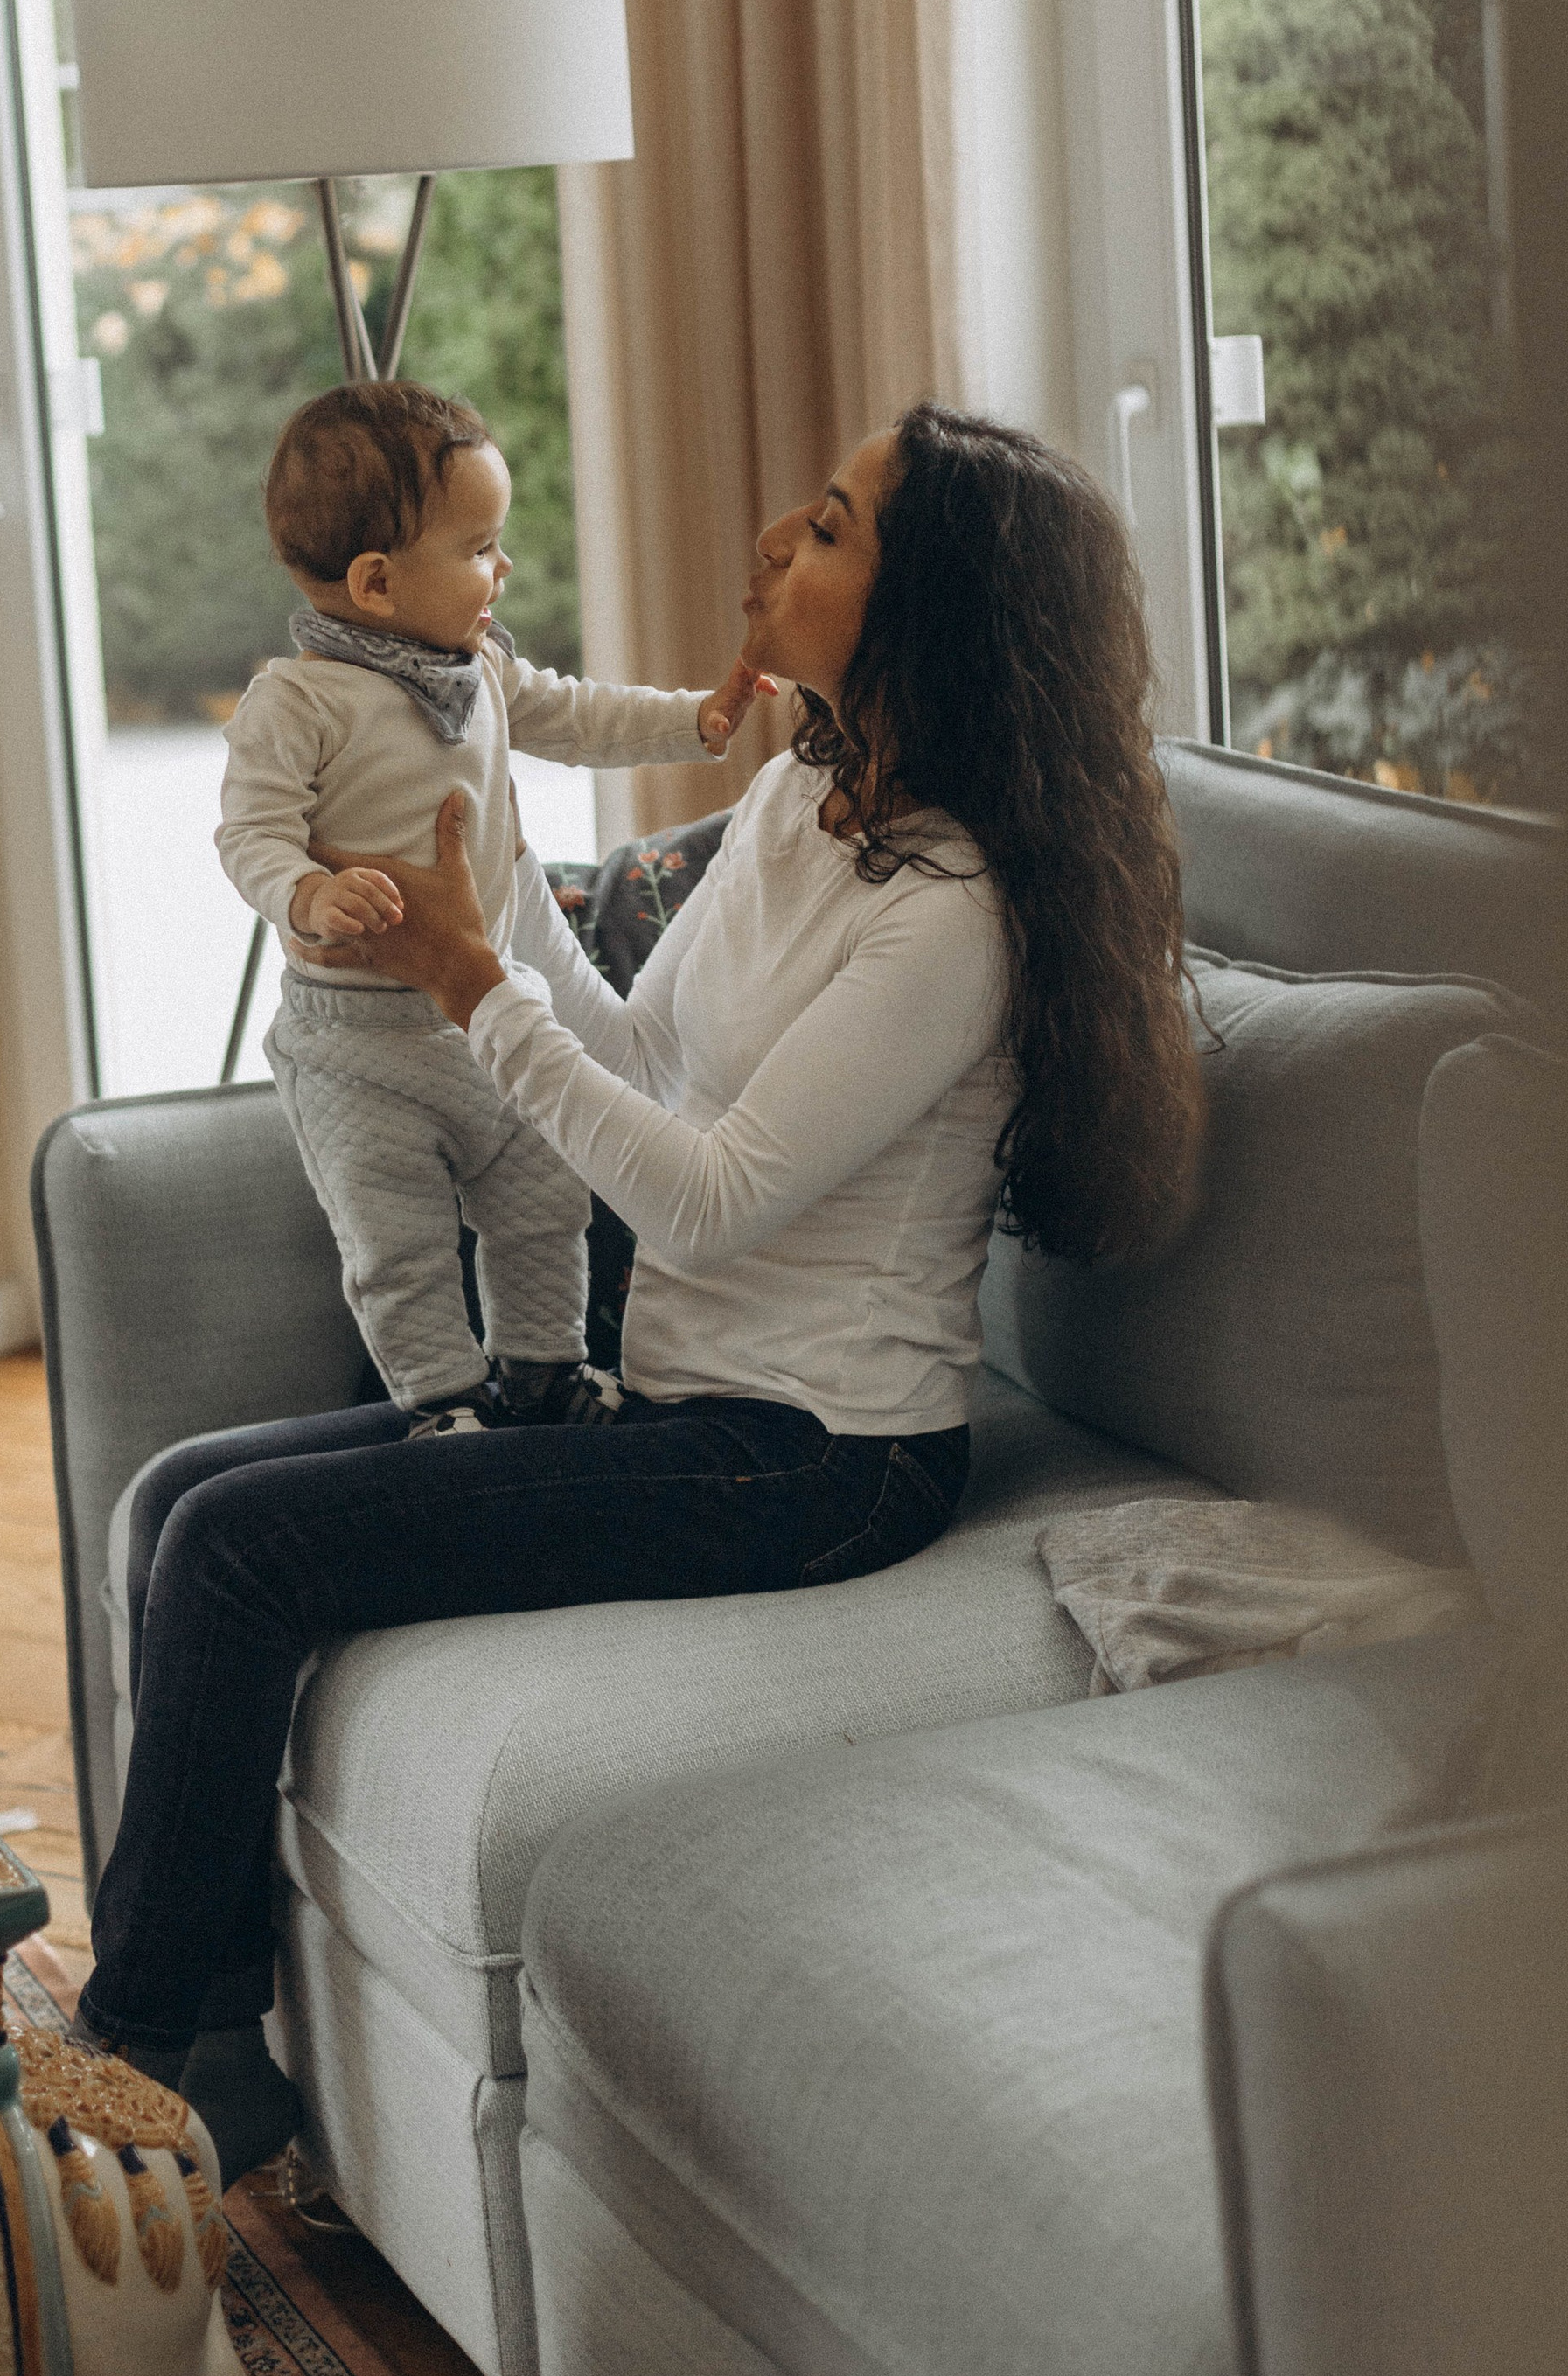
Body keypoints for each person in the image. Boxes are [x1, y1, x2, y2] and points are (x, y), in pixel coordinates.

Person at [77, 403, 1205, 2189]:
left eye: (827, 528)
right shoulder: (795, 796)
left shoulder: (950, 913)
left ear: (925, 614)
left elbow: (712, 1194)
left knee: (235, 1553)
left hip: (818, 1456)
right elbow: (642, 1057)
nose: (775, 537)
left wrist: (475, 992)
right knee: (176, 1503)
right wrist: (501, 930)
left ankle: (121, 2075)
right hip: (690, 1401)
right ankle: (215, 2033)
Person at [218, 378, 764, 1432]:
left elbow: (579, 714)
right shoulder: (297, 701)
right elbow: (250, 833)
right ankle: (439, 1400)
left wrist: (696, 719)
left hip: (488, 1014)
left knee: (543, 1207)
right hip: (356, 1045)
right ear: (376, 582)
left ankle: (543, 1368)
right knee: (398, 1246)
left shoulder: (480, 669)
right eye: (478, 549)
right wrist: (308, 894)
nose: (501, 569)